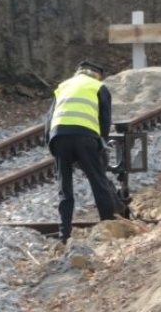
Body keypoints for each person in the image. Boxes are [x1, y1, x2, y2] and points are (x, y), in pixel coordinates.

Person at [45, 60, 121, 241]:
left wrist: (53, 145)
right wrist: (101, 145)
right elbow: (105, 121)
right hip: (86, 137)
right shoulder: (99, 87)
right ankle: (108, 227)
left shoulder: (63, 86)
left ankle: (64, 235)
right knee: (98, 181)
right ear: (97, 74)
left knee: (65, 187)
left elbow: (48, 121)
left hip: (59, 137)